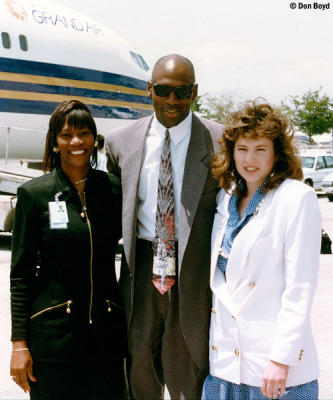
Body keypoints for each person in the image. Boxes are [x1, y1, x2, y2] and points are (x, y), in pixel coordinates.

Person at [105, 54, 222, 399]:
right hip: (140, 269)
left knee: (189, 368)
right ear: (149, 89)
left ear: (195, 92)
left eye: (183, 91)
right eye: (165, 90)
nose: (173, 100)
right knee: (138, 361)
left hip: (194, 273)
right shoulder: (119, 142)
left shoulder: (220, 141)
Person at [202, 100, 321, 400]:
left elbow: (299, 288)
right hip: (226, 365)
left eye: (260, 149)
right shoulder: (225, 198)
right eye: (242, 148)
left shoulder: (296, 198)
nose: (249, 159)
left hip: (273, 369)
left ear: (277, 153)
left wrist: (281, 359)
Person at [10, 100, 126, 399]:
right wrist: (19, 344)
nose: (76, 142)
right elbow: (21, 274)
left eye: (84, 133)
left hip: (106, 336)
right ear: (54, 143)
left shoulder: (113, 189)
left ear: (94, 139)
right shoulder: (34, 195)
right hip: (53, 339)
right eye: (66, 135)